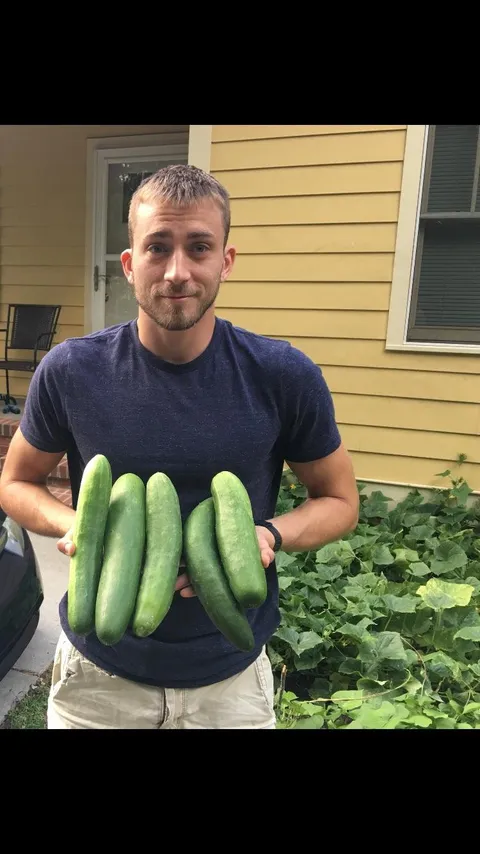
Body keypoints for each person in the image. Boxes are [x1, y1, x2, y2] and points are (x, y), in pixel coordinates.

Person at [0, 164, 359, 729]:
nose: (177, 271)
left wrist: (269, 534)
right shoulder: (71, 370)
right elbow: (16, 482)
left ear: (226, 260)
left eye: (199, 247)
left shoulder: (281, 374)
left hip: (231, 681)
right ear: (129, 264)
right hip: (98, 681)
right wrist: (74, 523)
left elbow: (340, 501)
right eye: (157, 247)